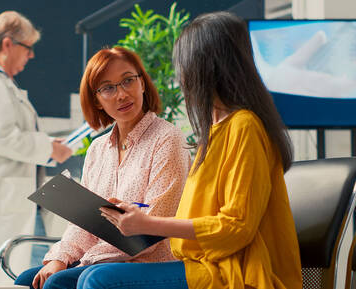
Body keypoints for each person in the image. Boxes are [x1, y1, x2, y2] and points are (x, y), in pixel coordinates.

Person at [86, 11, 302, 289]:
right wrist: (140, 219)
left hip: (233, 274)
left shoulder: (244, 127)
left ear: (205, 68)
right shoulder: (214, 132)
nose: (181, 78)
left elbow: (236, 228)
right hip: (204, 266)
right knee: (87, 278)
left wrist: (148, 225)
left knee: (100, 280)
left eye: (184, 67)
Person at [15, 47, 191, 289]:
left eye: (128, 80)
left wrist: (83, 262)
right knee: (26, 280)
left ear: (142, 83)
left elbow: (152, 228)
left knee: (58, 282)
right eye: (108, 88)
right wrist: (59, 258)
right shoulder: (97, 149)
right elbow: (84, 223)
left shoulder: (167, 139)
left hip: (149, 260)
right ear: (96, 100)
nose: (121, 94)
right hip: (104, 258)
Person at [0, 11, 72, 282]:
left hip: (7, 198)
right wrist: (49, 148)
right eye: (27, 48)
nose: (31, 56)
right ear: (8, 44)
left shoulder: (3, 84)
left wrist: (48, 146)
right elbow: (3, 136)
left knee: (4, 273)